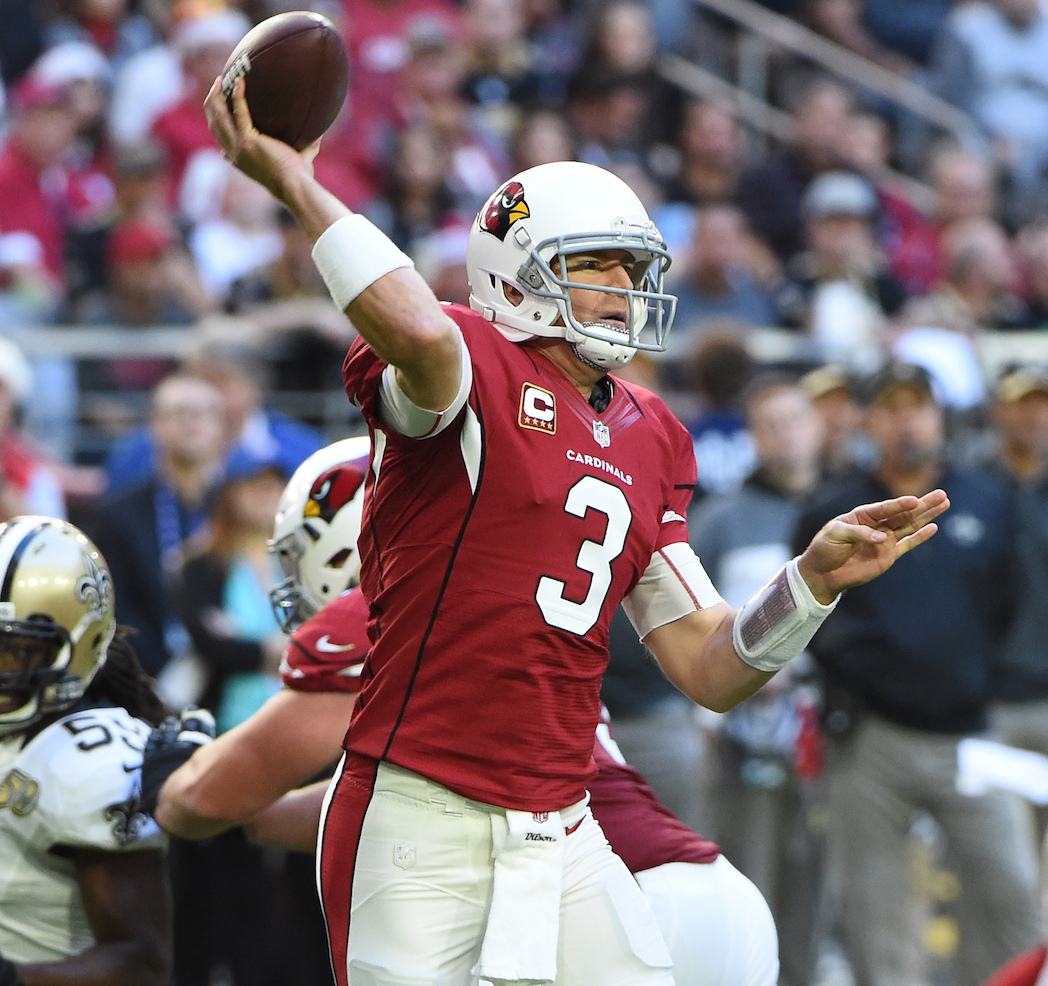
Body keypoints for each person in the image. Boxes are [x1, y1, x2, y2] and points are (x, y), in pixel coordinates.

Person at [203, 73, 948, 986]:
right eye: (598, 265)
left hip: (564, 822)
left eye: (633, 270)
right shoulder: (467, 358)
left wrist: (812, 583)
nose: (624, 291)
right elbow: (424, 340)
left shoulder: (651, 432)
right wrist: (301, 185)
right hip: (421, 809)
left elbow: (711, 669)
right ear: (517, 270)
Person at [149, 437, 781, 986]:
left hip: (611, 917)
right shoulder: (502, 597)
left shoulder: (385, 616)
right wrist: (257, 818)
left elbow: (203, 797)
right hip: (713, 897)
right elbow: (391, 797)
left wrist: (162, 781)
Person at [794, 361, 1041, 986]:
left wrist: (961, 669)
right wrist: (885, 669)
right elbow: (810, 614)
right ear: (869, 421)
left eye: (920, 405)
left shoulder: (986, 497)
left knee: (1012, 902)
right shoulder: (832, 507)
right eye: (894, 406)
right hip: (873, 737)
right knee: (877, 917)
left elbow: (1007, 601)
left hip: (971, 731)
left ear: (939, 415)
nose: (909, 419)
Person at [689, 374, 828, 986]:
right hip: (743, 736)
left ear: (819, 424)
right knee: (748, 882)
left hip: (832, 733)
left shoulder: (842, 508)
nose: (788, 434)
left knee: (818, 889)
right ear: (753, 438)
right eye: (772, 424)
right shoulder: (722, 520)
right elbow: (694, 627)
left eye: (797, 418)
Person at [0, 515, 171, 986]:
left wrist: (13, 978)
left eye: (11, 651)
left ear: (79, 646)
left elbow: (142, 962)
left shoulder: (89, 760)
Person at [85, 373, 228, 680]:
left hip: (232, 680)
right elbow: (114, 607)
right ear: (155, 426)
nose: (193, 422)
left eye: (205, 413)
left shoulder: (241, 510)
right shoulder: (119, 514)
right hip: (150, 680)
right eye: (180, 412)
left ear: (223, 429)